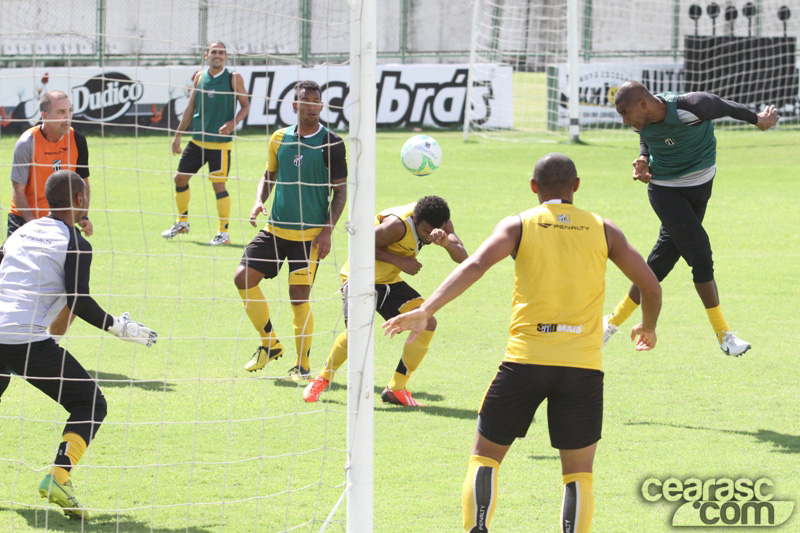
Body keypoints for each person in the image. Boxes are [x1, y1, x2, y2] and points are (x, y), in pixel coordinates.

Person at [382, 154, 661, 532]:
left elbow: (475, 265)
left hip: (524, 362)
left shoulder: (519, 224)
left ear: (533, 187)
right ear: (576, 186)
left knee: (485, 457)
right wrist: (648, 326)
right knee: (578, 473)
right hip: (582, 367)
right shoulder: (604, 229)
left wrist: (425, 309)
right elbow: (650, 285)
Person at [0, 170, 157, 519]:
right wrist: (122, 328)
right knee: (90, 402)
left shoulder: (21, 231)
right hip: (25, 341)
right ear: (81, 199)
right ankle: (58, 477)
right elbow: (78, 300)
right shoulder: (75, 243)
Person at [603, 81, 780, 356]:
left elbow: (725, 106)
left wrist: (759, 120)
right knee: (701, 254)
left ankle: (611, 323)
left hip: (700, 187)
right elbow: (645, 134)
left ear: (643, 103)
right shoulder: (640, 120)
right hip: (665, 191)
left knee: (660, 262)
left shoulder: (693, 106)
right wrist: (643, 158)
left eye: (625, 113)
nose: (625, 121)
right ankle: (724, 335)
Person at [303, 195, 468, 406]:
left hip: (388, 281)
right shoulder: (397, 226)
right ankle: (322, 379)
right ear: (416, 219)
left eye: (433, 231)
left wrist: (445, 243)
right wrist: (399, 261)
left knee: (427, 322)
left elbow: (464, 258)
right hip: (359, 277)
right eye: (425, 231)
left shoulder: (440, 221)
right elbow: (360, 244)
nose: (429, 237)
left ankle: (396, 389)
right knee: (357, 332)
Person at [234, 80, 347, 380]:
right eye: (306, 101)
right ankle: (270, 343)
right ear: (296, 105)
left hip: (309, 238)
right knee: (242, 278)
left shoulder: (332, 143)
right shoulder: (279, 138)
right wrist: (259, 200)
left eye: (317, 101)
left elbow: (340, 191)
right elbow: (269, 174)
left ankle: (302, 365)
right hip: (274, 230)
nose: (313, 106)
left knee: (298, 297)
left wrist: (327, 231)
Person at [6, 90, 92, 339]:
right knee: (14, 285)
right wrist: (34, 226)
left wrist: (83, 216)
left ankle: (50, 344)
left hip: (61, 222)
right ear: (44, 115)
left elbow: (83, 184)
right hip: (25, 221)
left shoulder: (77, 140)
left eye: (69, 111)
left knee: (76, 289)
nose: (67, 117)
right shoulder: (27, 143)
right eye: (60, 112)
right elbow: (18, 191)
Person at [162, 41, 250, 246]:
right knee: (180, 179)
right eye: (213, 52)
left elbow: (245, 105)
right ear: (206, 55)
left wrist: (233, 122)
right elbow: (190, 107)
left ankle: (223, 234)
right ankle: (182, 223)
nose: (217, 56)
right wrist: (178, 134)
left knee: (218, 186)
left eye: (221, 52)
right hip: (198, 141)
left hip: (220, 145)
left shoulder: (233, 78)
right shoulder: (199, 77)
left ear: (226, 57)